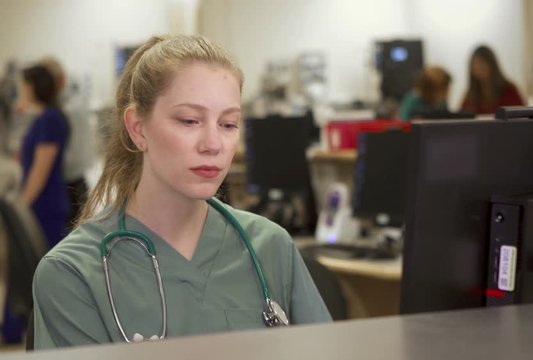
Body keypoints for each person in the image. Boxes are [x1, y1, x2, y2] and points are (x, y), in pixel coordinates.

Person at [32, 34, 331, 349]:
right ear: (137, 128)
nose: (213, 144)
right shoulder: (72, 274)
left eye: (228, 124)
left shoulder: (270, 247)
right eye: (190, 121)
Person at [39, 57, 94, 229]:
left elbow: (68, 154)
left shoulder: (67, 110)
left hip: (71, 184)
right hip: (72, 182)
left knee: (72, 236)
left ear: (59, 81)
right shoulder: (63, 106)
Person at [19, 65, 70, 249]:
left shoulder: (49, 119)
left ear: (32, 87)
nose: (21, 90)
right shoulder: (44, 117)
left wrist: (22, 207)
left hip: (46, 204)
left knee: (45, 262)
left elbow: (40, 172)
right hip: (42, 202)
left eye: (23, 85)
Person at [460, 45, 524, 115]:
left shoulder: (509, 90)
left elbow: (521, 117)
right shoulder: (471, 95)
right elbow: (461, 118)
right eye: (475, 64)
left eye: (482, 63)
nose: (478, 68)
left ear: (492, 64)